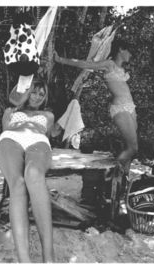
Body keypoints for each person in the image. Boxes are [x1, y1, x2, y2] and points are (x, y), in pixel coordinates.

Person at [54, 39, 137, 187]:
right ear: (121, 50)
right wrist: (60, 59)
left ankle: (122, 184)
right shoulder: (109, 64)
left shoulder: (123, 69)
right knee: (133, 148)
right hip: (120, 108)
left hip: (131, 107)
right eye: (129, 51)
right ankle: (109, 180)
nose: (131, 55)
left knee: (129, 148)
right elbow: (85, 64)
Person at [0, 77, 55, 262]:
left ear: (45, 99)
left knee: (34, 174)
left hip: (37, 140)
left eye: (41, 94)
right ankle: (24, 260)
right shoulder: (10, 111)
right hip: (10, 138)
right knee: (18, 184)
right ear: (27, 92)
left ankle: (49, 256)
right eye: (34, 92)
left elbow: (48, 134)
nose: (37, 97)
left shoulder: (48, 116)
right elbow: (4, 130)